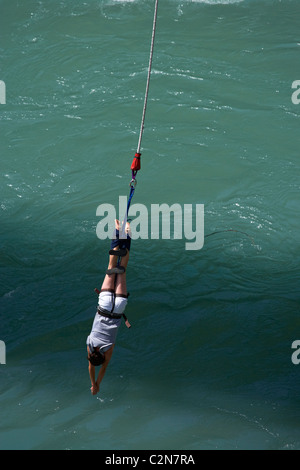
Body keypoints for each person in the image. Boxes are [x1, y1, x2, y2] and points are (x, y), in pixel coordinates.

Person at [86, 219, 131, 396]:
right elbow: (91, 367)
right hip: (104, 304)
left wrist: (98, 383)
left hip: (118, 308)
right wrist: (92, 382)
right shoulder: (90, 344)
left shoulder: (108, 350)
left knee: (123, 267)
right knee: (111, 266)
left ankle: (127, 231)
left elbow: (102, 369)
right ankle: (117, 229)